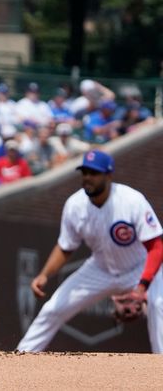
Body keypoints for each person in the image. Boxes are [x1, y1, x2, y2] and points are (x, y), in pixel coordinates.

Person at [17, 151, 163, 353]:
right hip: (100, 268)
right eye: (84, 172)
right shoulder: (75, 205)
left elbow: (156, 247)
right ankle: (22, 356)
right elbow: (65, 247)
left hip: (140, 267)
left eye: (94, 173)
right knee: (53, 309)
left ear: (108, 175)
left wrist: (141, 287)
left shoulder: (132, 201)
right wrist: (44, 275)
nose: (87, 177)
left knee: (159, 304)